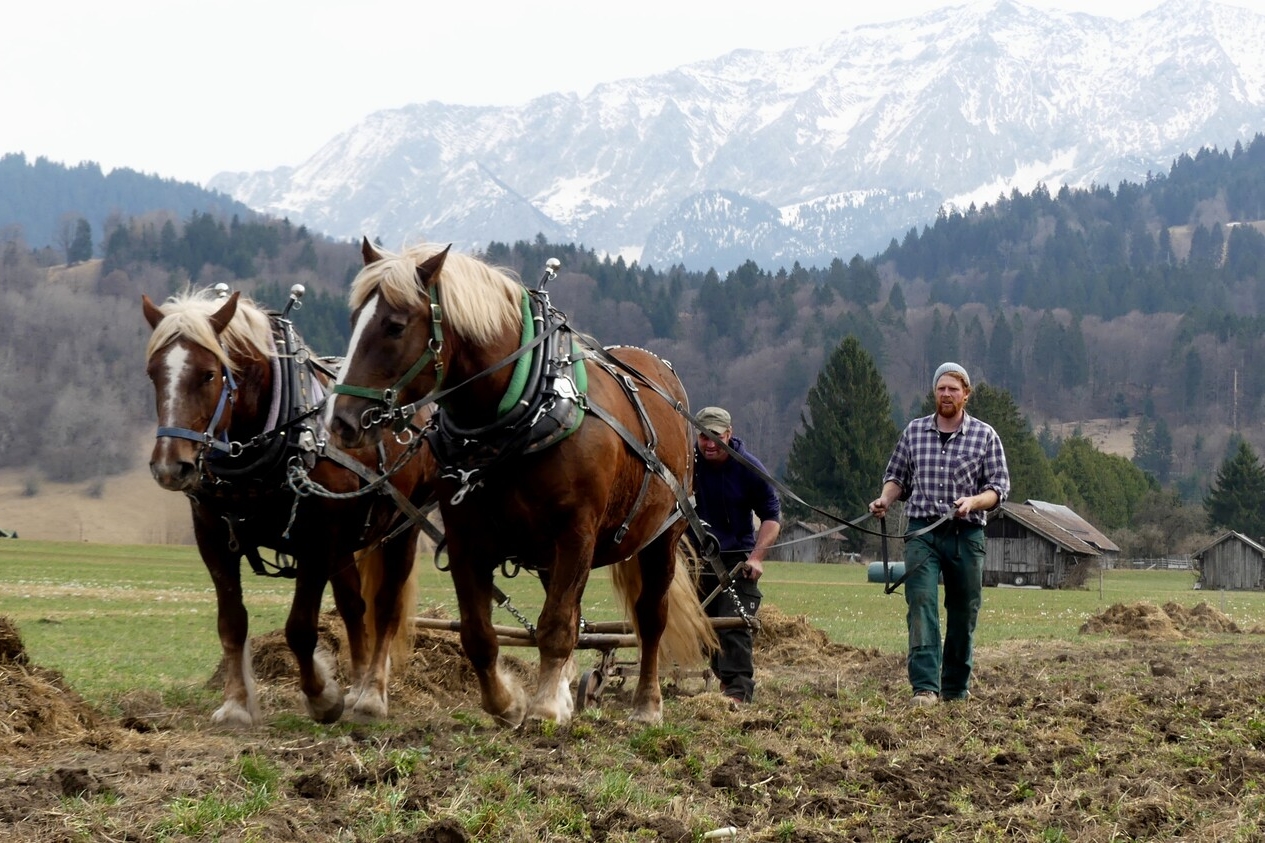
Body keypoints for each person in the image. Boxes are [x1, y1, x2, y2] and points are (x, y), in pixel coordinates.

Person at [868, 363, 1010, 707]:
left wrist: (973, 502)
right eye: (941, 388)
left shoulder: (985, 435)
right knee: (921, 604)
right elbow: (897, 476)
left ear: (966, 394)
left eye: (953, 389)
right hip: (922, 532)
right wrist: (885, 499)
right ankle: (925, 688)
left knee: (964, 611)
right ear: (935, 392)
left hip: (967, 535)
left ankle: (955, 690)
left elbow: (998, 489)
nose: (946, 394)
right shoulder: (914, 432)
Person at [692, 406, 781, 706]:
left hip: (736, 558)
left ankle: (738, 692)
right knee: (697, 627)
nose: (708, 443)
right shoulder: (686, 462)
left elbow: (771, 516)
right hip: (692, 556)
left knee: (733, 623)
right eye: (703, 436)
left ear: (728, 435)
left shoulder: (748, 468)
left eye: (715, 436)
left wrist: (756, 557)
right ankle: (723, 677)